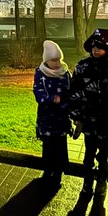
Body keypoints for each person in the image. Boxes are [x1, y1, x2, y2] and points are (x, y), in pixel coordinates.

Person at [67, 28, 108, 196]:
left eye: (99, 46)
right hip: (88, 118)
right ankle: (87, 181)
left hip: (107, 119)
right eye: (93, 46)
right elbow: (73, 91)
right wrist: (76, 116)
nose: (95, 49)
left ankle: (102, 180)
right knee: (89, 152)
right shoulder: (83, 66)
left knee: (104, 153)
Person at [32, 40, 72, 188]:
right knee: (49, 145)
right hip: (47, 116)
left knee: (60, 144)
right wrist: (50, 99)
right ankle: (48, 170)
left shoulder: (65, 74)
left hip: (61, 117)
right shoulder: (40, 73)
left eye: (58, 60)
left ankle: (59, 170)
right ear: (47, 61)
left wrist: (66, 104)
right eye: (53, 60)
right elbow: (38, 92)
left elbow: (70, 91)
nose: (56, 63)